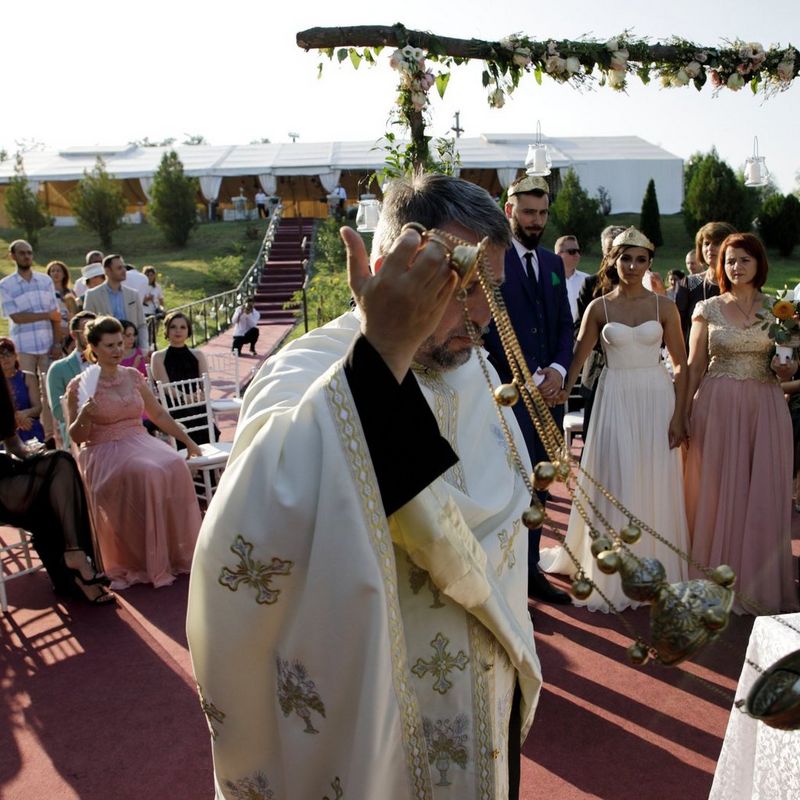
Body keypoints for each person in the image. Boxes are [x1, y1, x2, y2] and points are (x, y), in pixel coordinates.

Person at [186, 174, 542, 800]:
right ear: (388, 268)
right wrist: (382, 354)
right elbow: (257, 520)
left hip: (489, 689)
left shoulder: (479, 368)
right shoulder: (307, 369)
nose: (483, 314)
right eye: (461, 285)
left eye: (494, 286)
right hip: (381, 708)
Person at [539, 228, 690, 611]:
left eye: (641, 260)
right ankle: (614, 566)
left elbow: (681, 365)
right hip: (614, 396)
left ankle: (652, 565)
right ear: (613, 261)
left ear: (649, 263)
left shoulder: (665, 307)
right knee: (617, 477)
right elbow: (577, 358)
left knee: (652, 476)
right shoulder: (599, 307)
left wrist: (680, 415)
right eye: (626, 258)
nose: (633, 266)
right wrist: (560, 388)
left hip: (656, 398)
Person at [684, 233, 799, 615]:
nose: (736, 266)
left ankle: (758, 584)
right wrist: (681, 412)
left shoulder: (780, 309)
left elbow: (791, 361)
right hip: (716, 406)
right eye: (730, 261)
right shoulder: (708, 309)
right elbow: (694, 365)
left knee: (762, 491)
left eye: (744, 260)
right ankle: (713, 580)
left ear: (758, 263)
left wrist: (787, 366)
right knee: (718, 492)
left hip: (765, 406)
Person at [483, 175, 574, 605]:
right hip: (509, 395)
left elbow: (563, 327)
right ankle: (509, 584)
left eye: (542, 213)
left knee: (541, 482)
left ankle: (532, 569)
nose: (536, 221)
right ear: (509, 211)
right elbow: (485, 330)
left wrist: (558, 369)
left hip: (550, 396)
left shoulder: (554, 265)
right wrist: (523, 377)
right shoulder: (491, 259)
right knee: (509, 486)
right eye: (529, 212)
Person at [66, 316, 203, 590]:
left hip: (139, 440)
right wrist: (83, 416)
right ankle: (145, 560)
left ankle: (177, 553)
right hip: (103, 450)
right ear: (93, 347)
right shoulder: (81, 385)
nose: (118, 350)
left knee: (175, 463)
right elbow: (77, 438)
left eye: (121, 343)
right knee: (150, 471)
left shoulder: (132, 375)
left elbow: (158, 414)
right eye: (109, 345)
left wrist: (188, 442)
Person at [0, 374, 113, 605]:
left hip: (3, 469)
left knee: (61, 461)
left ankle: (75, 554)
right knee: (49, 493)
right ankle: (75, 571)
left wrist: (33, 455)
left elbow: (13, 445)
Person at [149, 311, 217, 446]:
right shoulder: (158, 356)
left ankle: (205, 463)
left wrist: (201, 395)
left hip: (195, 402)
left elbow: (206, 382)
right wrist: (185, 398)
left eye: (182, 327)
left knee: (208, 427)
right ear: (167, 330)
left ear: (188, 331)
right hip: (172, 406)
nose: (178, 331)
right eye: (173, 327)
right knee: (189, 426)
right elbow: (165, 386)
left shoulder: (198, 354)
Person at [674, 221, 736, 343]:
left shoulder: (743, 284)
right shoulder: (690, 283)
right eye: (706, 243)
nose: (710, 248)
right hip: (693, 357)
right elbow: (678, 328)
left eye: (717, 243)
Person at [46, 310, 96, 448]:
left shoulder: (107, 363)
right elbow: (58, 411)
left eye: (95, 328)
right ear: (74, 334)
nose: (92, 333)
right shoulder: (58, 369)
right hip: (78, 431)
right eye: (87, 328)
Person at [82, 254, 149, 352]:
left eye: (124, 267)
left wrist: (144, 348)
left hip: (132, 350)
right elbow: (88, 326)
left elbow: (141, 324)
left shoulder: (133, 294)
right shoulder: (92, 295)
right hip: (106, 351)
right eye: (119, 268)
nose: (124, 271)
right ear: (107, 271)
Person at [0, 337, 45, 444]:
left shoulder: (28, 377)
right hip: (6, 429)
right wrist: (15, 419)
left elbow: (38, 408)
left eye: (8, 354)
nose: (5, 359)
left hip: (28, 425)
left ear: (16, 356)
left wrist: (23, 414)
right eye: (1, 356)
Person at [555, 235, 589, 324]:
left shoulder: (587, 280)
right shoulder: (546, 280)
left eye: (578, 251)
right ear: (559, 255)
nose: (577, 255)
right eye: (572, 252)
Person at [46, 260, 78, 352]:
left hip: (69, 333)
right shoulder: (46, 293)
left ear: (64, 274)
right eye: (53, 271)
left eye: (58, 271)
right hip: (52, 331)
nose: (55, 273)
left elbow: (76, 312)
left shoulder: (71, 293)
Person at [142, 265, 165, 347]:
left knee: (154, 333)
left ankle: (153, 347)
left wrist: (162, 309)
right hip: (144, 313)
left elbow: (161, 300)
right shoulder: (141, 286)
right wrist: (145, 299)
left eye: (151, 275)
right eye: (147, 275)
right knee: (146, 334)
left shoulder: (157, 287)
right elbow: (137, 301)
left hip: (155, 312)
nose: (150, 277)